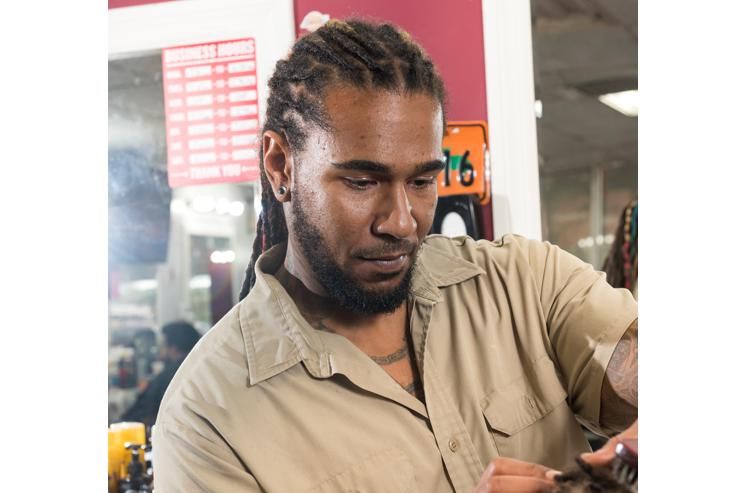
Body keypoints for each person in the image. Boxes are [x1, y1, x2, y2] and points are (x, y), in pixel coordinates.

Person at [154, 19, 637, 492]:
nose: (402, 222)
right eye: (362, 183)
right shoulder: (206, 422)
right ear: (281, 165)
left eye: (423, 181)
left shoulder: (524, 283)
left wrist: (628, 458)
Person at [120, 321, 200, 427]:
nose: (160, 349)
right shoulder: (196, 369)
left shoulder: (168, 375)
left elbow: (148, 412)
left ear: (173, 348)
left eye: (163, 344)